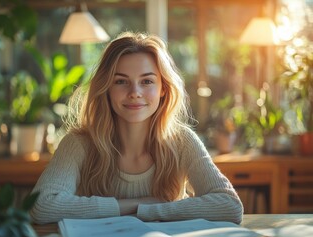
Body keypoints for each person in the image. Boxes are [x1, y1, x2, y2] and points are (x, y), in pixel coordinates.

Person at [30, 31, 243, 224]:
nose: (135, 92)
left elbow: (229, 206)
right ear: (106, 89)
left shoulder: (182, 141)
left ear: (163, 89)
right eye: (121, 82)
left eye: (147, 81)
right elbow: (41, 206)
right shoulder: (79, 143)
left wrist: (152, 211)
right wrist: (139, 204)